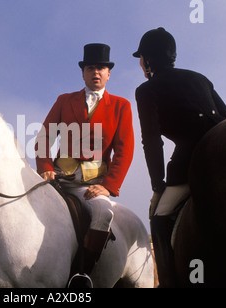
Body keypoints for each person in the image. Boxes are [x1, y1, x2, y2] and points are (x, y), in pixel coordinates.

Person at [133, 27, 226, 287]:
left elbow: (151, 141)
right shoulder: (200, 78)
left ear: (149, 59)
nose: (141, 64)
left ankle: (168, 282)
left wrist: (157, 185)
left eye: (141, 58)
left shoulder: (146, 90)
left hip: (194, 162)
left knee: (160, 217)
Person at [35, 43, 134, 287]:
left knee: (104, 212)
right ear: (83, 73)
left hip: (92, 185)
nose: (96, 72)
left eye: (101, 68)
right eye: (91, 68)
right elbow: (45, 137)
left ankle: (82, 274)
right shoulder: (64, 100)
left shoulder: (122, 106)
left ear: (109, 73)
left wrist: (109, 186)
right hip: (57, 179)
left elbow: (125, 150)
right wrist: (45, 166)